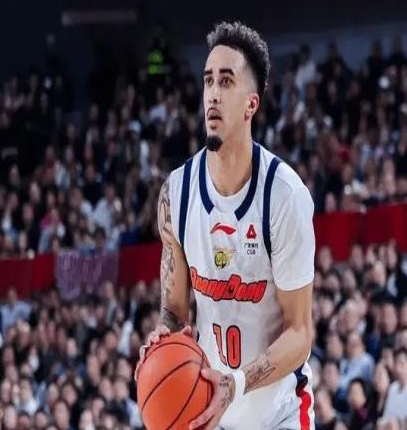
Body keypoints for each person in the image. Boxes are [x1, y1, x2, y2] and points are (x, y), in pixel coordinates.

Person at [134, 21, 315, 430]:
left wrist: (236, 383)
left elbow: (300, 334)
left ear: (251, 104)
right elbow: (175, 310)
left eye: (226, 81)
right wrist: (163, 336)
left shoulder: (284, 196)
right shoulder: (176, 194)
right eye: (208, 80)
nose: (213, 93)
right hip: (207, 412)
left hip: (279, 414)